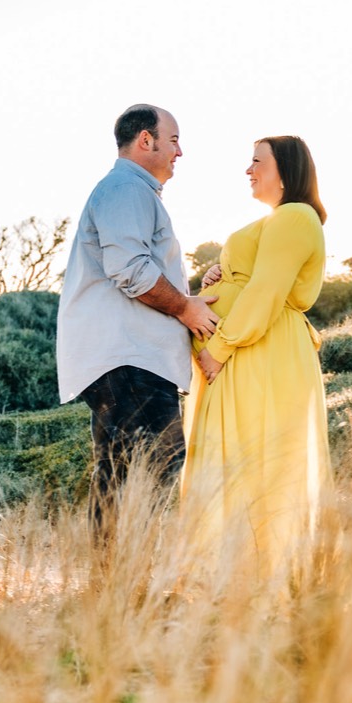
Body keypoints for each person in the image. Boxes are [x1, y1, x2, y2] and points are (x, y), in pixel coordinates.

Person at [56, 104, 219, 543]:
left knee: (121, 473)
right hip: (130, 359)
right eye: (174, 140)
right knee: (151, 466)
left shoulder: (129, 191)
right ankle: (124, 573)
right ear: (146, 140)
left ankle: (116, 576)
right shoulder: (127, 189)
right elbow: (130, 269)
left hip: (126, 358)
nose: (180, 152)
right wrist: (185, 308)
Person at [181, 135, 332, 572]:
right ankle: (227, 574)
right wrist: (222, 275)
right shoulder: (276, 221)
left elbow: (266, 290)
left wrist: (219, 347)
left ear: (285, 171)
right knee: (232, 458)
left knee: (255, 458)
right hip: (246, 351)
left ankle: (259, 575)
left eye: (257, 162)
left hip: (259, 351)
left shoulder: (296, 216)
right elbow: (255, 278)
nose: (248, 170)